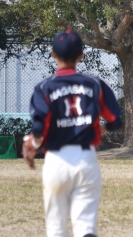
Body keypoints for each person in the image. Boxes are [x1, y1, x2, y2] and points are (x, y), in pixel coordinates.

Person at [22, 29, 122, 237]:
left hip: (56, 161)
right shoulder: (95, 84)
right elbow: (115, 121)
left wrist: (34, 145)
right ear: (81, 56)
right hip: (86, 160)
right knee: (85, 228)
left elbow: (39, 128)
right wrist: (97, 129)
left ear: (53, 54)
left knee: (57, 229)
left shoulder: (44, 88)